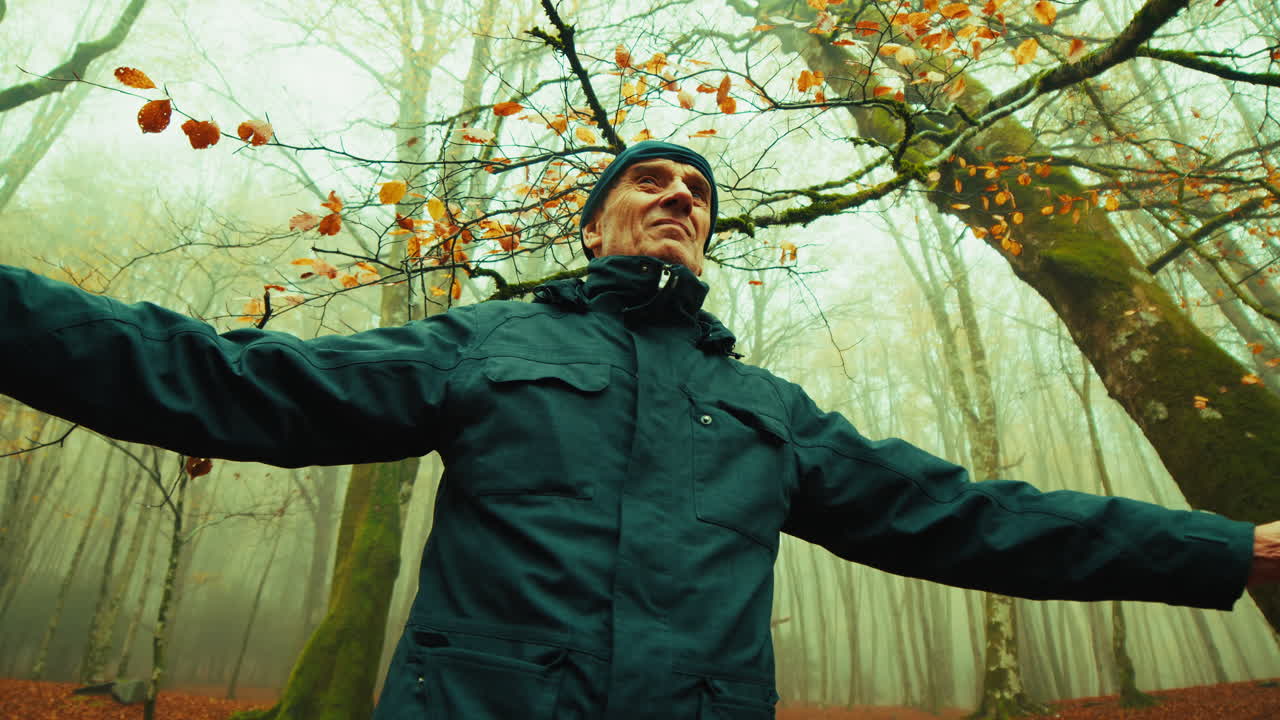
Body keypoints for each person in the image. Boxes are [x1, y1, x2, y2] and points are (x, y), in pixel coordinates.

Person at [1, 140, 1277, 719]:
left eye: (698, 194)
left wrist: (1229, 550)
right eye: (649, 182)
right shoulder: (490, 342)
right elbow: (235, 386)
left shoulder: (770, 414)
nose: (677, 197)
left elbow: (980, 519)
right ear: (600, 224)